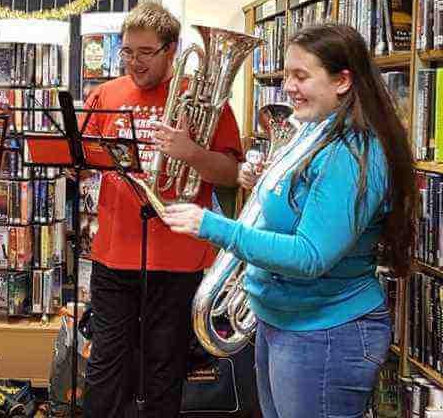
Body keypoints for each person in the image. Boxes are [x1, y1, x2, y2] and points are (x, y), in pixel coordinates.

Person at [161, 23, 417, 418]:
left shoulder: (351, 153)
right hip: (286, 322)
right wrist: (261, 179)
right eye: (285, 75)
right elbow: (294, 200)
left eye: (301, 76)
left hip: (327, 334)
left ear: (342, 81)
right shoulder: (315, 129)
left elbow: (309, 255)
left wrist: (212, 225)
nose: (287, 87)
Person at [79, 2, 243, 418]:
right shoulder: (106, 94)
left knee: (165, 368)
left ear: (172, 50)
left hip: (177, 258)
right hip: (113, 255)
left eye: (145, 52)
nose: (134, 62)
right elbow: (81, 161)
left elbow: (229, 173)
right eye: (128, 51)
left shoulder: (204, 101)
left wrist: (189, 152)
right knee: (105, 367)